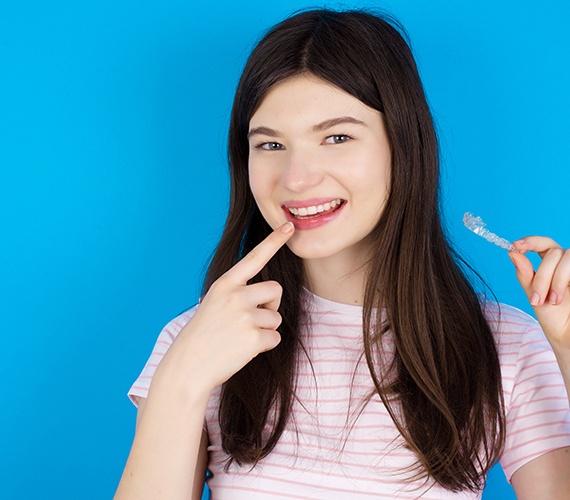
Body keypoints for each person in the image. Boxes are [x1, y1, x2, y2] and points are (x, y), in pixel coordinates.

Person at [115, 9, 570, 499]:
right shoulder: (200, 340)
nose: (296, 178)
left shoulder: (505, 345)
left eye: (336, 137)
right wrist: (182, 379)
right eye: (270, 144)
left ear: (403, 145)